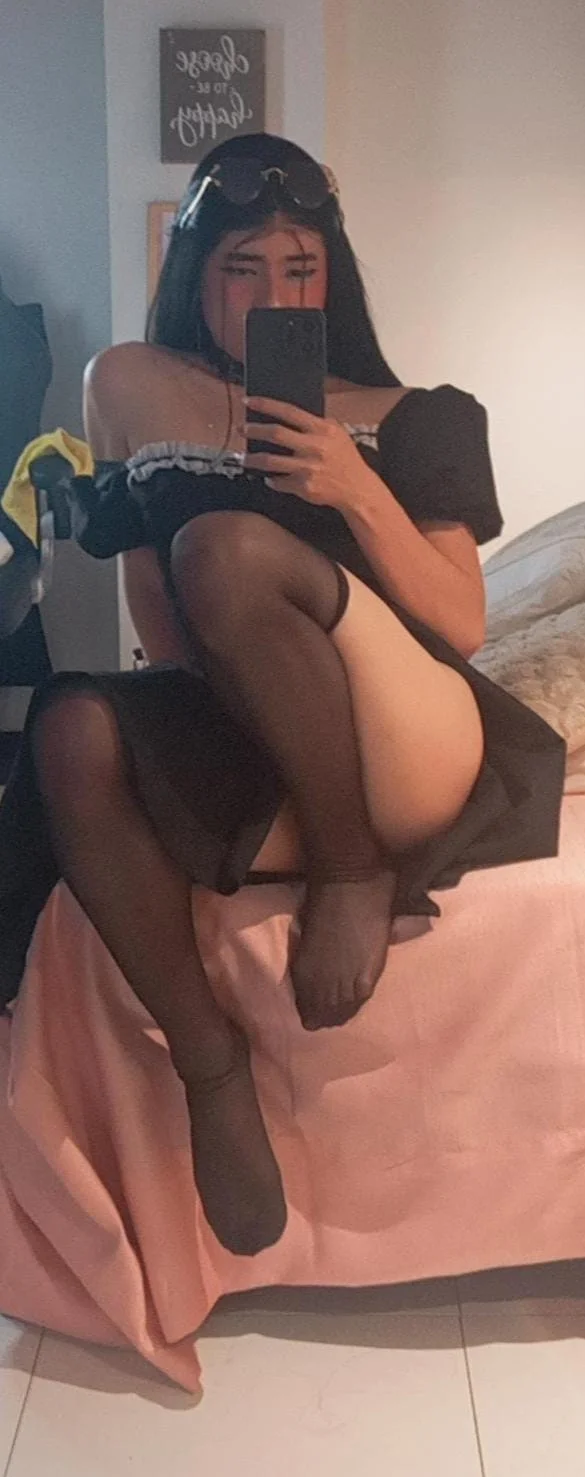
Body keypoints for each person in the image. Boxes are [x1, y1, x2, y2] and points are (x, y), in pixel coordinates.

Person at [0, 133, 566, 1261]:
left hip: (405, 734)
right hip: (261, 739)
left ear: (333, 277)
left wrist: (353, 488)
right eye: (242, 268)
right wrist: (153, 751)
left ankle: (354, 869)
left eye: (300, 268)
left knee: (224, 548)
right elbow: (161, 625)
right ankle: (210, 1063)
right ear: (194, 271)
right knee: (67, 728)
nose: (272, 294)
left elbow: (460, 622)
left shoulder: (419, 415)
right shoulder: (129, 385)